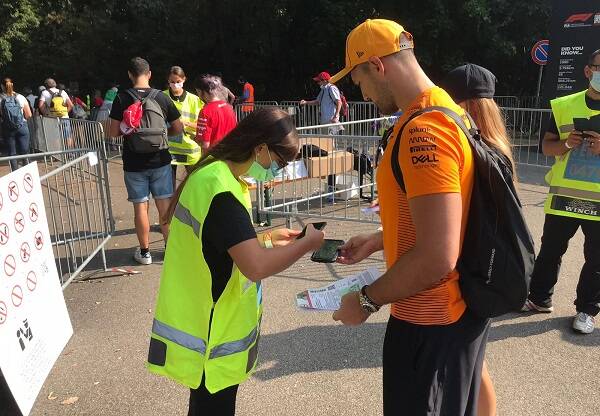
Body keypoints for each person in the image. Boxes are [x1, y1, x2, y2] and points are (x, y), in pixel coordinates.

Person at [329, 19, 488, 415]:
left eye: (359, 79)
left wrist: (365, 301)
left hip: (429, 321)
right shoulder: (445, 110)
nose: (361, 91)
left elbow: (437, 255)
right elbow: (446, 212)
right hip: (450, 317)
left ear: (378, 67)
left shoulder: (423, 131)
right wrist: (381, 238)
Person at [147, 107, 324, 416]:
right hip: (210, 334)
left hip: (205, 323)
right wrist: (306, 244)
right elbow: (255, 266)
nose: (279, 171)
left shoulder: (218, 174)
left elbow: (222, 244)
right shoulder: (222, 191)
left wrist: (268, 238)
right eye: (279, 162)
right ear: (259, 148)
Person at [441, 62, 519, 416]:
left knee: (471, 368)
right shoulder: (499, 147)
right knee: (477, 365)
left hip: (470, 270)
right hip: (489, 269)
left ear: (467, 106)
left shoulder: (474, 150)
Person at [521, 49, 600, 334]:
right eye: (599, 67)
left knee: (597, 259)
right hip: (564, 197)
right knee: (551, 251)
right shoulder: (564, 105)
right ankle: (539, 299)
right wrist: (567, 144)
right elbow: (547, 146)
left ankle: (587, 311)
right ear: (588, 70)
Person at [108, 57, 183, 265]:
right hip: (160, 160)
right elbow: (178, 128)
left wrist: (132, 133)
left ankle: (145, 253)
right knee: (165, 206)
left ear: (130, 75)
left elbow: (113, 132)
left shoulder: (121, 98)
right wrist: (161, 134)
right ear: (149, 74)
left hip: (133, 162)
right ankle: (170, 249)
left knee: (141, 208)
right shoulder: (162, 97)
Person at [163, 66, 204, 187]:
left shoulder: (194, 100)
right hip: (168, 148)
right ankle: (171, 206)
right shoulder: (162, 97)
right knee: (168, 188)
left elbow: (202, 125)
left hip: (190, 149)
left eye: (178, 82)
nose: (175, 84)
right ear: (168, 81)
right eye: (172, 82)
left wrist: (186, 123)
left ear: (184, 80)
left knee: (195, 184)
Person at [195, 74, 237, 150]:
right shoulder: (229, 107)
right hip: (229, 154)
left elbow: (205, 144)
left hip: (213, 157)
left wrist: (194, 138)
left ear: (200, 91)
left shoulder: (205, 111)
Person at [1, 78, 32, 170]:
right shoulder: (21, 97)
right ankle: (28, 173)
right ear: (12, 85)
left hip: (7, 128)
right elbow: (29, 114)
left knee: (12, 153)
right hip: (22, 126)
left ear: (2, 86)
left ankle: (15, 174)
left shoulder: (0, 98)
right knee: (25, 151)